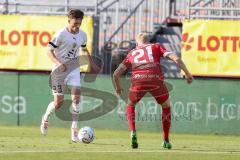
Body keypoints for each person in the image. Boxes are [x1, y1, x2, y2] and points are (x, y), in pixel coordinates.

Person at [113, 33, 193, 149]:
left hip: (138, 81)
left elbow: (116, 74)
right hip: (155, 79)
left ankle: (133, 132)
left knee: (130, 104)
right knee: (166, 106)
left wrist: (118, 87)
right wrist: (187, 73)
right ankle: (165, 140)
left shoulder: (132, 53)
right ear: (148, 41)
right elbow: (176, 59)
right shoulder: (156, 46)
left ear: (137, 43)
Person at [40, 9, 97, 142]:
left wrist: (91, 63)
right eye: (74, 23)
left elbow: (83, 48)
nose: (77, 25)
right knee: (58, 103)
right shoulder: (60, 34)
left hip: (73, 70)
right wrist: (59, 63)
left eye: (79, 23)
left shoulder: (82, 34)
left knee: (76, 99)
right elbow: (49, 51)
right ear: (69, 21)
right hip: (59, 71)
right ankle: (46, 118)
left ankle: (74, 129)